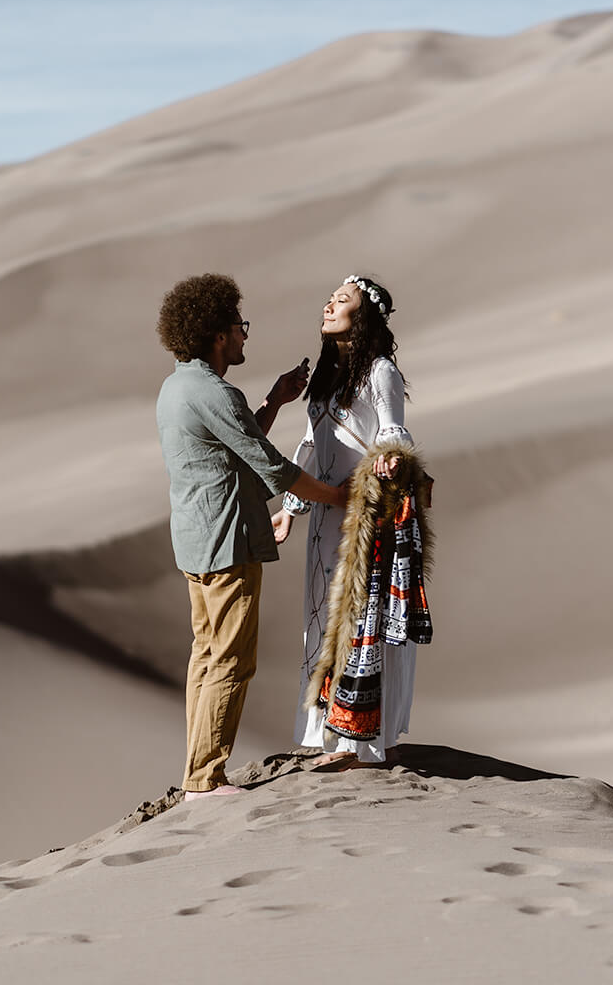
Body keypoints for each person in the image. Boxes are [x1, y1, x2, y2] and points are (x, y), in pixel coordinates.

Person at [155, 273, 349, 799]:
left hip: (198, 541)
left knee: (207, 656)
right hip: (227, 542)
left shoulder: (178, 387)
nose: (245, 336)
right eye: (239, 328)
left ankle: (198, 771)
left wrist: (275, 401)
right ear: (217, 334)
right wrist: (337, 497)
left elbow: (232, 445)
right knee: (233, 661)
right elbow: (274, 471)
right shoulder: (216, 392)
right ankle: (205, 780)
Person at [271, 274, 420, 766]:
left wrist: (390, 456)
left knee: (359, 623)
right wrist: (291, 510)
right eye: (330, 299)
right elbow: (313, 445)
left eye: (343, 300)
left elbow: (395, 429)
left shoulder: (380, 372)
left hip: (363, 519)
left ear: (365, 316)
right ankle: (328, 733)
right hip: (322, 520)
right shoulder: (329, 377)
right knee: (321, 622)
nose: (329, 304)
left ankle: (365, 740)